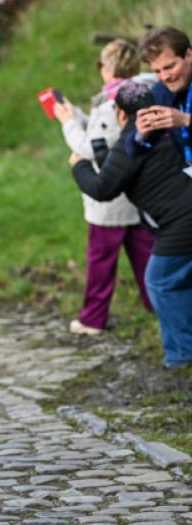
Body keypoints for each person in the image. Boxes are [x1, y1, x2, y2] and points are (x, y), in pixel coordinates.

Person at [70, 80, 192, 368]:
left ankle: (181, 355)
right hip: (182, 213)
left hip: (181, 221)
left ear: (121, 113)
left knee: (159, 281)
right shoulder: (166, 127)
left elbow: (103, 188)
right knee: (177, 280)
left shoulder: (132, 141)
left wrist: (79, 165)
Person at [53, 39, 155, 335]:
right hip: (133, 197)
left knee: (101, 263)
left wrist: (67, 124)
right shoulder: (131, 94)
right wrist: (77, 116)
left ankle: (93, 319)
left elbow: (90, 146)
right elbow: (101, 132)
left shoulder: (115, 101)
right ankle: (159, 305)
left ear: (108, 67)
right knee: (146, 256)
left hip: (110, 200)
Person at [129, 26, 192, 165]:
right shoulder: (161, 92)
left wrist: (186, 120)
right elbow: (134, 150)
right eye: (157, 71)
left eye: (170, 67)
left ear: (189, 55)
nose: (165, 77)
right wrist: (141, 134)